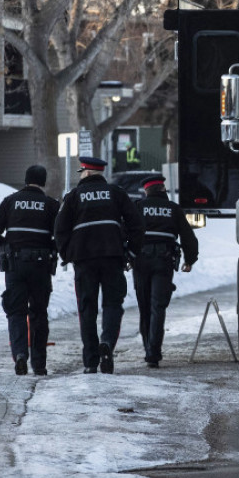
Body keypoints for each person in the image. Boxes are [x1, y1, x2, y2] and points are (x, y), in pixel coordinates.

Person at [55, 156, 143, 374]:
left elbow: (60, 229)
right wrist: (131, 252)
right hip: (113, 257)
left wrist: (67, 254)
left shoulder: (73, 196)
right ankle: (107, 343)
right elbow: (137, 224)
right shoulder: (116, 193)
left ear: (85, 172)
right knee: (113, 304)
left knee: (87, 309)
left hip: (84, 260)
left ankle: (90, 361)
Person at [0, 165, 60, 376]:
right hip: (41, 265)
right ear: (43, 182)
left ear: (25, 180)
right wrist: (52, 249)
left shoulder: (10, 202)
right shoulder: (51, 205)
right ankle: (39, 363)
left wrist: (5, 247)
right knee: (38, 313)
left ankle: (19, 355)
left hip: (15, 265)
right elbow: (61, 235)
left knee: (16, 312)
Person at [132, 173, 199, 368]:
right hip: (163, 261)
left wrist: (126, 257)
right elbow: (188, 236)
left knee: (144, 307)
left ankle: (148, 350)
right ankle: (154, 351)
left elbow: (126, 232)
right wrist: (190, 259)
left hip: (141, 261)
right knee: (157, 307)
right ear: (163, 189)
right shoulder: (173, 209)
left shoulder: (138, 207)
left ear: (146, 191)